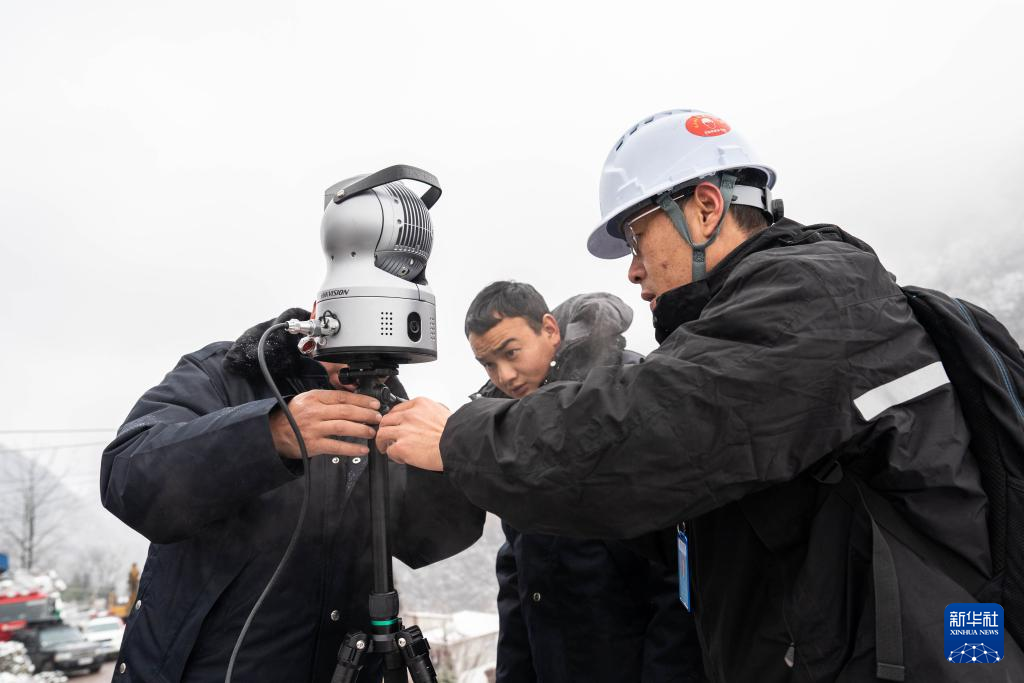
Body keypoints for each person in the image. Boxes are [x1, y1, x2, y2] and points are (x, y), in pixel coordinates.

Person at [373, 109, 1024, 681]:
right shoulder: (776, 315)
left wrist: (461, 438)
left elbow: (650, 434)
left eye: (636, 237)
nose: (633, 270)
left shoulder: (812, 301)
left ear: (706, 208)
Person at [100, 308, 484, 682]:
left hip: (343, 664)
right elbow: (127, 480)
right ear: (324, 317)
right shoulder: (227, 374)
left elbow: (427, 541)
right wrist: (271, 434)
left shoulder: (385, 408)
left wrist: (449, 452)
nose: (366, 369)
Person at [464, 281, 702, 682]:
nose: (504, 375)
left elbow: (678, 572)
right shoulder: (511, 422)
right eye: (488, 364)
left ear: (549, 329)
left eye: (511, 352)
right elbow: (518, 575)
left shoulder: (625, 392)